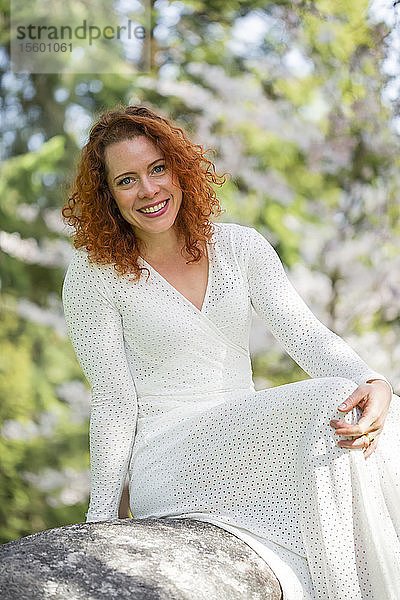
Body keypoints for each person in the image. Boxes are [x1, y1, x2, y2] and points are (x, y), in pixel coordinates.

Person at [61, 104, 400, 600]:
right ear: (108, 196)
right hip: (165, 452)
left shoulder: (242, 247)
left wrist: (375, 381)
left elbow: (304, 335)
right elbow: (114, 400)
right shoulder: (94, 275)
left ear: (179, 168)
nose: (150, 189)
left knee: (371, 411)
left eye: (157, 169)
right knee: (328, 403)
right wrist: (101, 522)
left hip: (241, 429)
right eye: (127, 180)